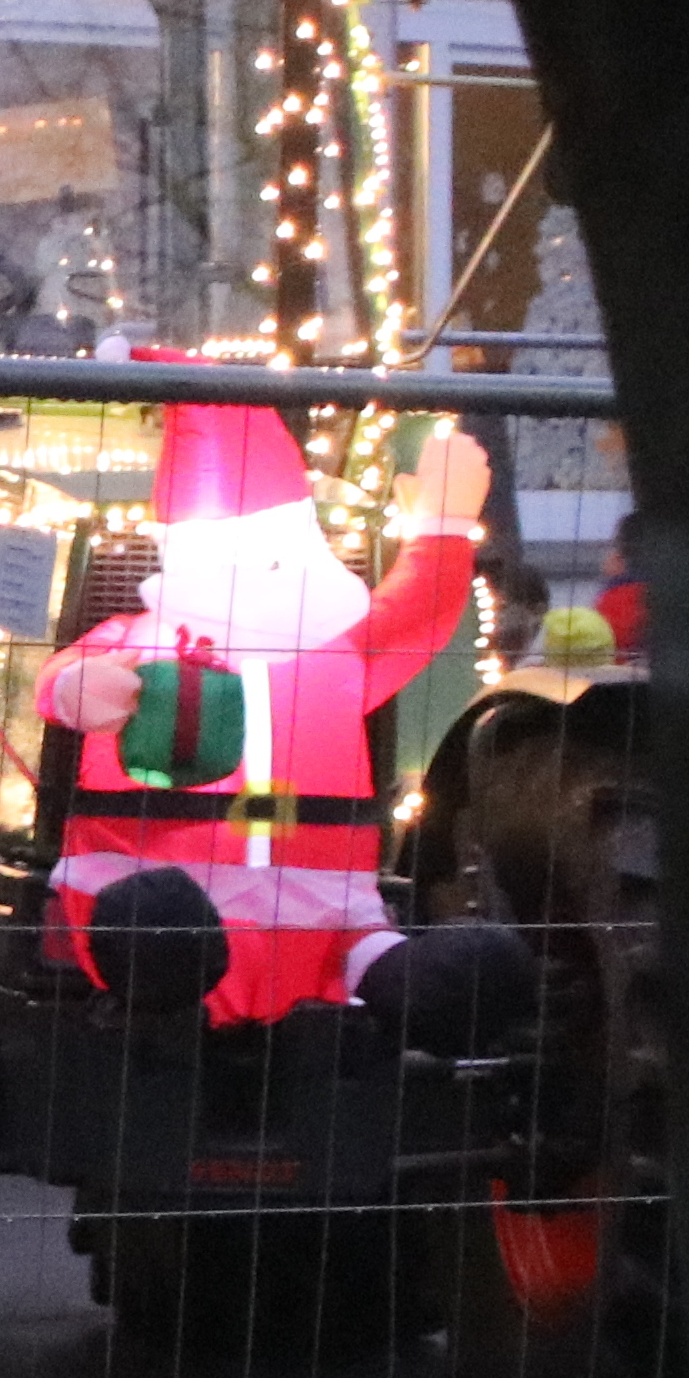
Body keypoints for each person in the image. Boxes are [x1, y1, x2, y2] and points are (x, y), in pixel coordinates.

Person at [33, 389, 492, 1021]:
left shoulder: (339, 648)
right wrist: (78, 686)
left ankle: (404, 981)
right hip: (160, 904)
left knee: (436, 982)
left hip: (325, 917)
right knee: (159, 940)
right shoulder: (136, 641)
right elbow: (61, 676)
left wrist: (442, 531)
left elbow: (418, 613)